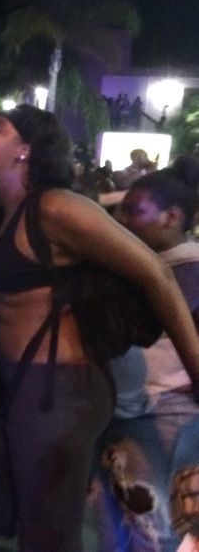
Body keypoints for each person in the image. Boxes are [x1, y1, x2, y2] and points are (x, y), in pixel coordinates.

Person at [0, 105, 199, 551]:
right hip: (30, 388)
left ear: (24, 151)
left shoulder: (54, 206)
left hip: (61, 394)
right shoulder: (8, 213)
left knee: (50, 532)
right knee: (38, 522)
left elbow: (157, 273)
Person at [94, 157, 199, 551]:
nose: (121, 220)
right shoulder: (150, 265)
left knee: (154, 526)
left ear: (172, 217)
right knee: (132, 519)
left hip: (164, 418)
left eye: (134, 211)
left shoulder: (186, 272)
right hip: (136, 414)